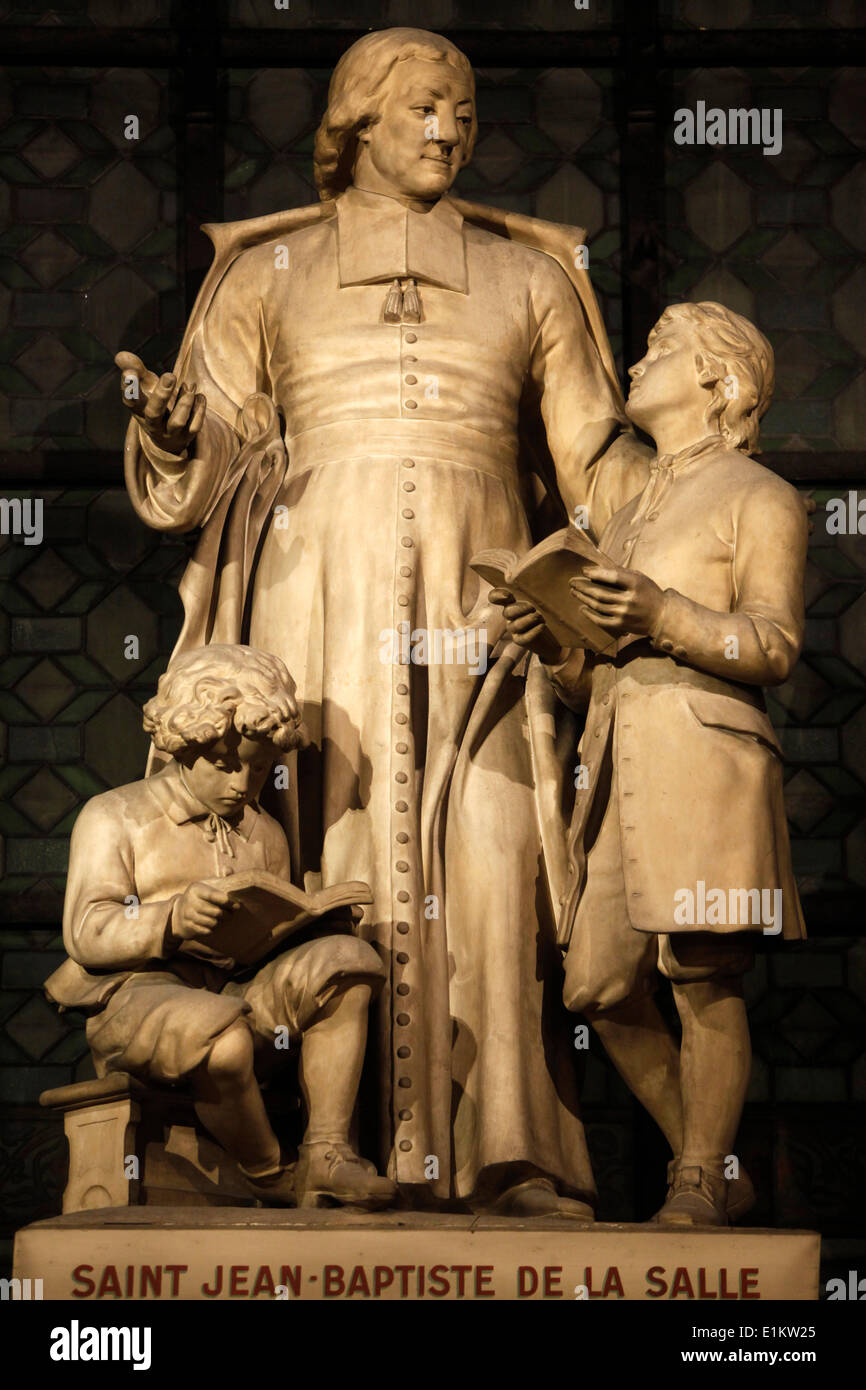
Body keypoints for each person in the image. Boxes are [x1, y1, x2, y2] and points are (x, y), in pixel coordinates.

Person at [112, 27, 652, 1216]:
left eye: (462, 111)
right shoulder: (270, 272)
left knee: (495, 863)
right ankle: (313, 1154)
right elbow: (209, 457)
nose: (448, 129)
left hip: (483, 601)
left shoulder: (529, 276)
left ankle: (510, 1151)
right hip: (315, 600)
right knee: (320, 857)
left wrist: (687, 490)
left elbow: (594, 461)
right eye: (422, 107)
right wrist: (164, 432)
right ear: (355, 119)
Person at [492, 301, 808, 1225]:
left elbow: (777, 644)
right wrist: (556, 642)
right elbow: (603, 677)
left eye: (660, 349)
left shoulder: (759, 495)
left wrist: (663, 614)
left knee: (702, 970)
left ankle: (699, 1178)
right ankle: (712, 1157)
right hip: (620, 769)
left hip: (708, 765)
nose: (636, 361)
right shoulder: (630, 515)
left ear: (716, 379)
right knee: (595, 983)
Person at [44, 645, 394, 1210]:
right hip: (134, 999)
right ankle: (268, 1173)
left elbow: (262, 944)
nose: (243, 782)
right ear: (184, 747)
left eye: (259, 768)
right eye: (226, 765)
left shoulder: (265, 834)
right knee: (224, 1040)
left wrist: (305, 926)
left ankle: (328, 1154)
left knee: (349, 963)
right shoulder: (115, 816)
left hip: (233, 990)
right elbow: (87, 930)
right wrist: (170, 919)